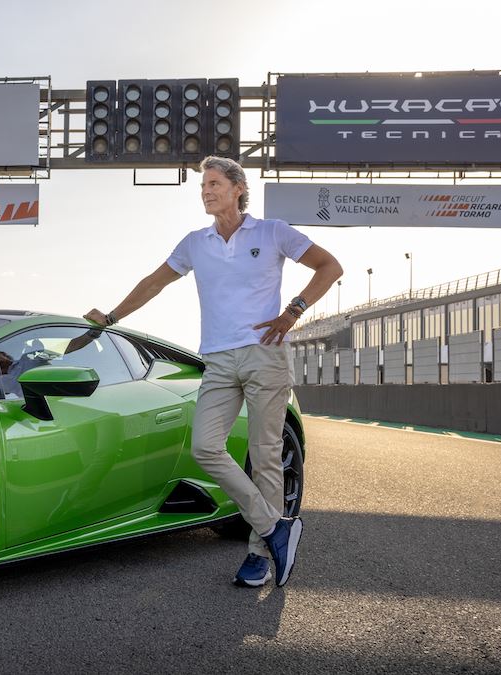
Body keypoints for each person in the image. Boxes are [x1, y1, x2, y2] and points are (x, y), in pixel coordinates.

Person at [84, 156, 343, 588]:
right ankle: (274, 525)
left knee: (264, 456)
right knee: (205, 446)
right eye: (203, 185)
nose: (206, 191)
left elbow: (330, 266)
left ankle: (259, 556)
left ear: (238, 188)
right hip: (219, 360)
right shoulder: (195, 242)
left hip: (266, 354)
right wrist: (109, 317)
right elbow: (153, 283)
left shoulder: (273, 231)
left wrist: (292, 312)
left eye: (214, 183)